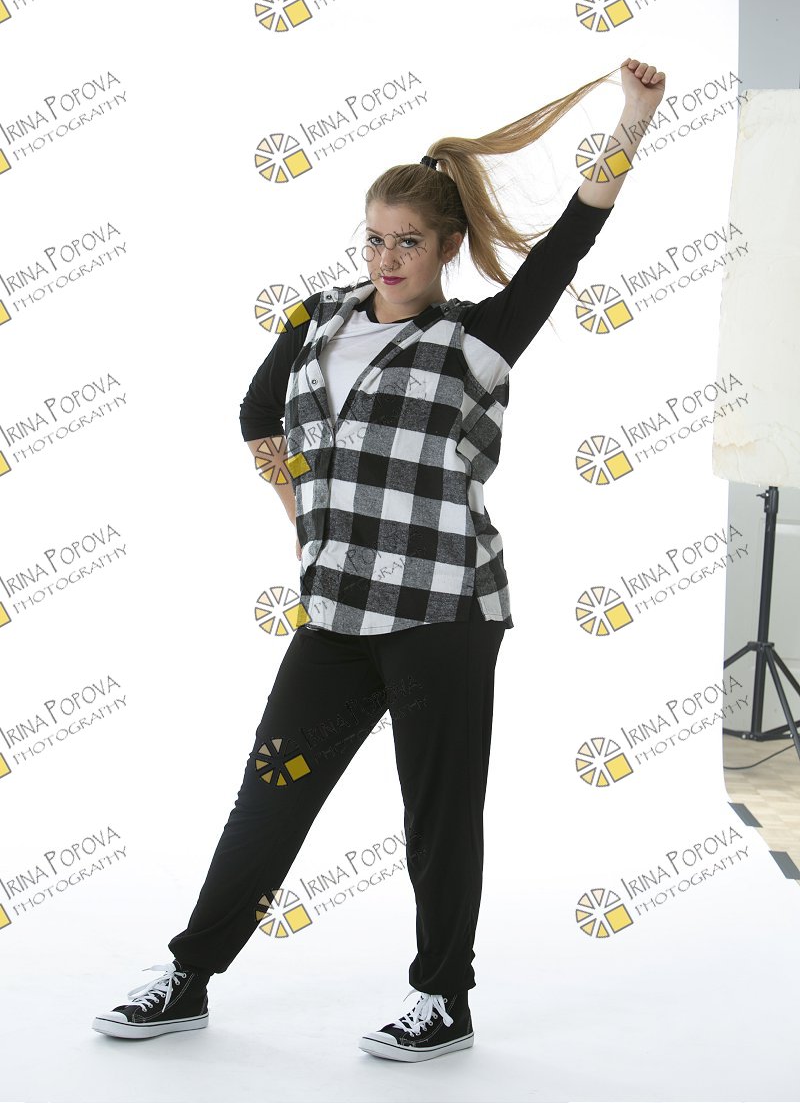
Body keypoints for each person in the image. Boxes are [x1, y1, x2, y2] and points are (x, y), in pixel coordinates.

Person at [91, 59, 666, 1059]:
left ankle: (442, 999)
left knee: (437, 815)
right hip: (338, 610)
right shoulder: (316, 316)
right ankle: (189, 977)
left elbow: (575, 235)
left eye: (406, 241)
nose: (386, 257)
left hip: (444, 611)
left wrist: (633, 117)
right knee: (271, 792)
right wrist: (301, 518)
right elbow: (255, 415)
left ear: (445, 247)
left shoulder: (479, 339)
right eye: (373, 237)